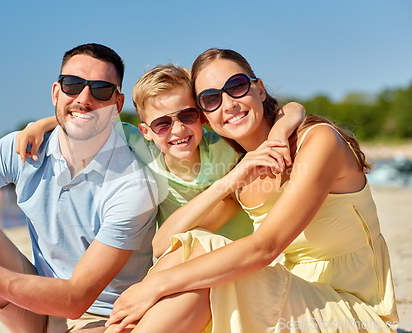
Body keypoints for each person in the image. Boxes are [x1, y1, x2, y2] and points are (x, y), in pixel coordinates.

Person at [102, 48, 398, 333]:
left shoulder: (318, 142)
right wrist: (227, 183)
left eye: (237, 86)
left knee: (198, 262)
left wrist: (153, 285)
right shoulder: (245, 177)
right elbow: (164, 245)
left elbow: (265, 248)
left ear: (259, 89)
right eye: (211, 98)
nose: (228, 103)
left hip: (354, 315)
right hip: (288, 305)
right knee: (191, 266)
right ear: (206, 115)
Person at [0, 43, 158, 333]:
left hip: (101, 317)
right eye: (73, 85)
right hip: (32, 306)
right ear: (56, 92)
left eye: (101, 90)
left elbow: (76, 300)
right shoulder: (22, 148)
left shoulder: (133, 185)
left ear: (116, 105)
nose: (84, 98)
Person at [17, 64, 306, 257]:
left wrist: (278, 134)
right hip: (178, 254)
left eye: (187, 116)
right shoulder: (142, 148)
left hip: (235, 253)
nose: (178, 130)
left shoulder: (224, 147)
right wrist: (38, 126)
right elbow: (89, 121)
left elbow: (293, 108)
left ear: (203, 117)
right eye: (162, 124)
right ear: (146, 132)